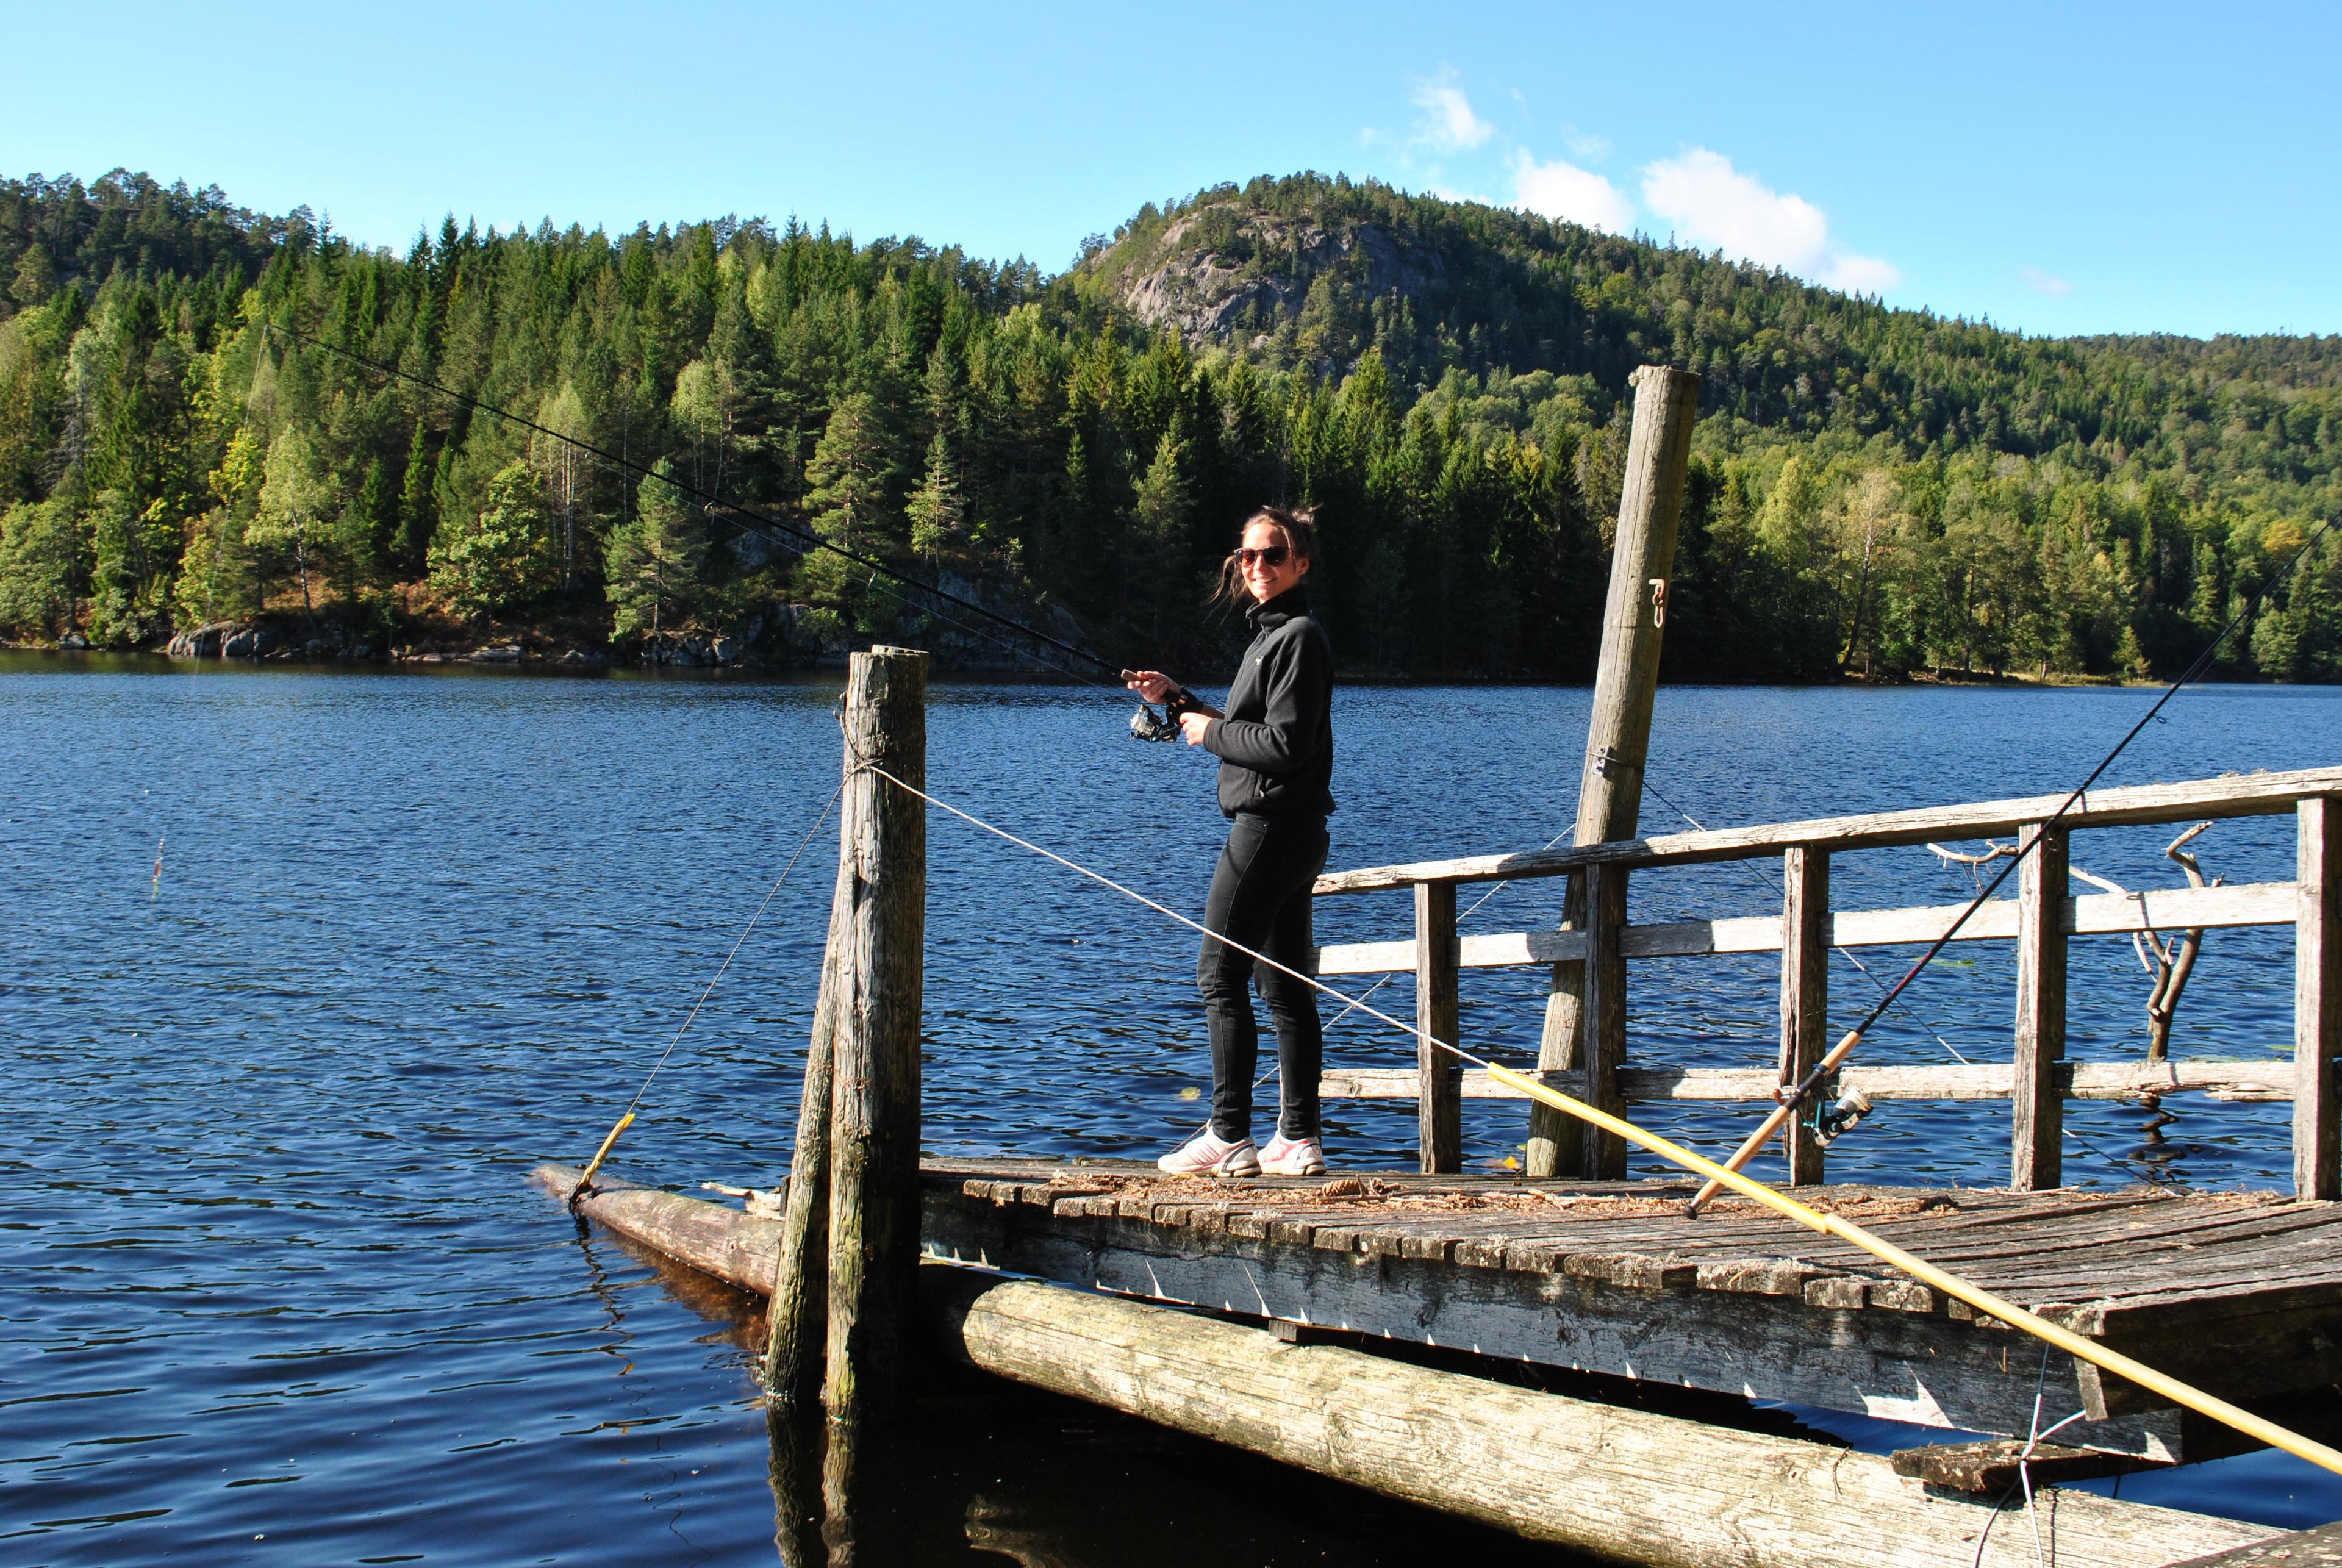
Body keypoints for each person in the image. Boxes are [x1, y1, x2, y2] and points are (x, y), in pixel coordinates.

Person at [1126, 506, 1335, 1178]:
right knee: (1284, 987)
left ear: (1301, 563)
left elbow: (1284, 746)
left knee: (1219, 975)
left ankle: (1229, 1134)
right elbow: (1256, 729)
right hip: (1294, 831)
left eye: (1273, 554)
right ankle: (1296, 1139)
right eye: (1248, 555)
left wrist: (1208, 733)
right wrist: (1181, 701)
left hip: (1269, 830)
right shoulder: (1274, 638)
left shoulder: (1297, 637)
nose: (1258, 566)